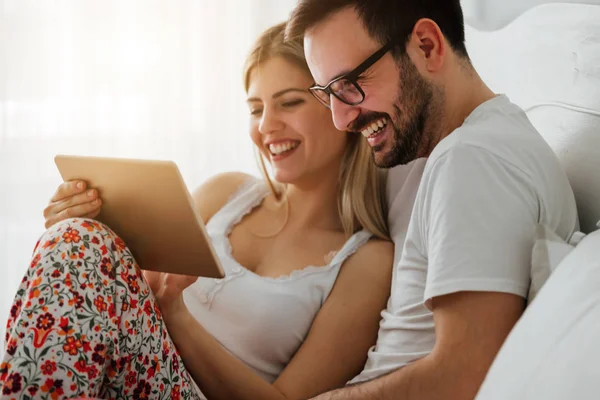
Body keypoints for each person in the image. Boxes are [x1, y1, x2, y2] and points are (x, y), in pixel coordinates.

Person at [0, 22, 395, 400]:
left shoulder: (367, 259)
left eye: (289, 103)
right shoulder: (228, 193)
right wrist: (79, 222)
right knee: (79, 238)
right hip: (133, 365)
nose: (267, 126)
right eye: (256, 109)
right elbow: (124, 291)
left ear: (340, 109)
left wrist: (177, 317)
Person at [285, 1, 579, 399]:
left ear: (426, 46)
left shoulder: (474, 160)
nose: (341, 119)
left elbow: (464, 375)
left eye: (350, 84)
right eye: (327, 94)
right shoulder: (485, 143)